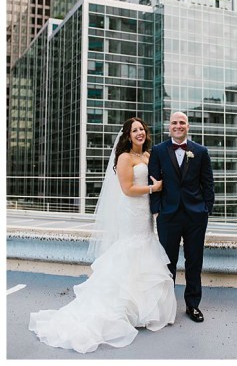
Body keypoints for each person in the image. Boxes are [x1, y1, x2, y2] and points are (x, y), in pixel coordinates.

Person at [29, 117, 176, 354]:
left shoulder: (148, 156)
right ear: (128, 136)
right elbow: (127, 189)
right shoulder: (125, 157)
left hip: (146, 215)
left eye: (142, 129)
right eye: (134, 130)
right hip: (131, 214)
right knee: (131, 253)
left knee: (146, 251)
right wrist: (153, 188)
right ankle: (123, 308)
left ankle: (142, 311)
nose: (139, 132)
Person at [149, 111, 215, 323]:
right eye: (174, 122)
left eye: (182, 123)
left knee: (194, 261)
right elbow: (154, 181)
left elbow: (208, 183)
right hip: (168, 215)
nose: (178, 126)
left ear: (188, 126)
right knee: (167, 262)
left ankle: (192, 305)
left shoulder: (201, 151)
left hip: (196, 216)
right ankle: (167, 307)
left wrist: (207, 209)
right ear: (169, 126)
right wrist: (156, 209)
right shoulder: (158, 150)